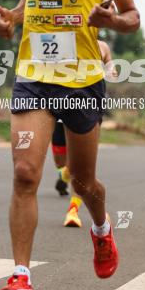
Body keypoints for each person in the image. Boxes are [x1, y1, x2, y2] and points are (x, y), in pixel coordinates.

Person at [0, 0, 140, 290]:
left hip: (82, 81)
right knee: (24, 173)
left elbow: (132, 16)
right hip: (34, 78)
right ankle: (21, 280)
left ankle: (100, 229)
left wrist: (109, 21)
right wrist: (11, 23)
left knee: (83, 182)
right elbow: (33, 3)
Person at [58, 39, 115, 229]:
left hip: (85, 106)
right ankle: (64, 175)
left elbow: (112, 70)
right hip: (56, 103)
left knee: (80, 173)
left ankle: (73, 211)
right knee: (62, 165)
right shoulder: (61, 38)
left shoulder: (102, 47)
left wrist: (109, 71)